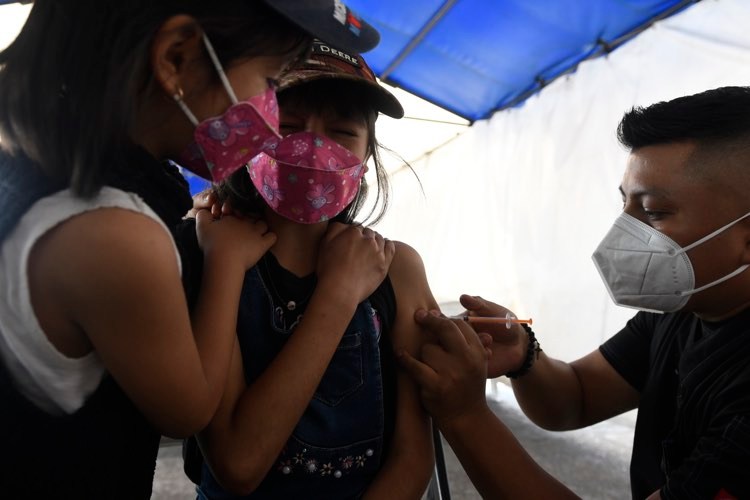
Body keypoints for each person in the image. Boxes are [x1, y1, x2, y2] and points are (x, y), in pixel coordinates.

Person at [0, 1, 382, 498]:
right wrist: (223, 262)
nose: (269, 118)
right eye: (269, 81)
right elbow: (189, 412)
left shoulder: (37, 173)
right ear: (176, 58)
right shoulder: (114, 235)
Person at [398, 86, 750, 500]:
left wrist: (464, 415)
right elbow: (576, 397)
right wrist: (524, 355)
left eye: (653, 212)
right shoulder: (685, 309)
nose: (623, 233)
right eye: (625, 206)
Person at [177, 41, 436, 499]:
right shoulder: (211, 255)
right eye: (288, 125)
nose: (314, 148)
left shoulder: (398, 270)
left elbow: (413, 459)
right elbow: (236, 466)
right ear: (249, 136)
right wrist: (337, 296)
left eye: (341, 132)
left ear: (366, 156)